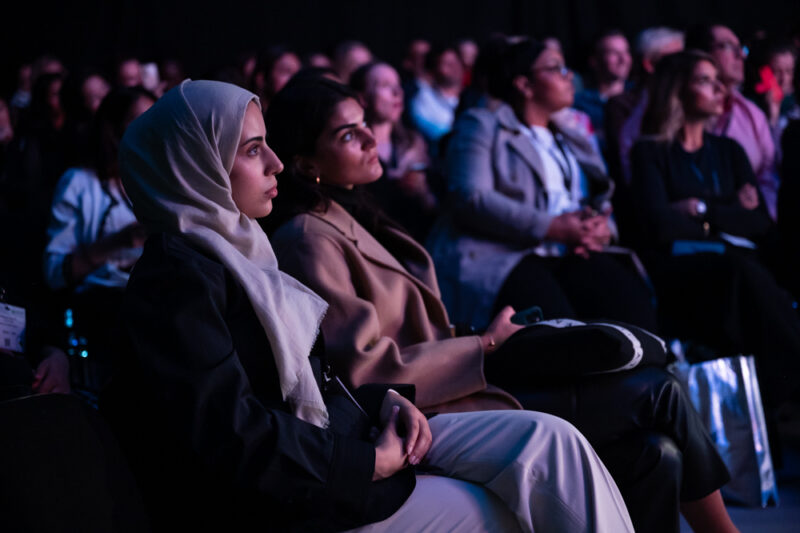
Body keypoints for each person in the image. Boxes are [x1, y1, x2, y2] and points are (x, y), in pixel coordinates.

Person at [108, 78, 635, 533]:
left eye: (267, 145)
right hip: (294, 496)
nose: (274, 162)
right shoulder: (176, 279)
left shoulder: (241, 249)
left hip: (347, 436)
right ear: (194, 168)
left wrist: (386, 401)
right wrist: (366, 461)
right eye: (251, 150)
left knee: (551, 440)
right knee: (502, 510)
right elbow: (232, 434)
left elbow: (312, 380)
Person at [264, 75, 736, 533]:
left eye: (366, 122)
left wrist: (482, 338)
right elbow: (363, 374)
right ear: (306, 165)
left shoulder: (351, 214)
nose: (371, 137)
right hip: (425, 412)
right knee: (659, 391)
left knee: (657, 452)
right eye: (350, 134)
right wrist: (485, 343)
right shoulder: (308, 238)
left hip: (457, 385)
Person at [427, 39, 658, 335]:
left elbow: (599, 200)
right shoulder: (482, 125)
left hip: (568, 254)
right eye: (555, 68)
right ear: (524, 84)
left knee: (630, 304)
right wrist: (553, 227)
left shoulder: (569, 134)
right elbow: (471, 198)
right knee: (560, 326)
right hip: (502, 254)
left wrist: (602, 229)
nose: (569, 76)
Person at [630, 50, 800, 407]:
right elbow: (661, 225)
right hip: (686, 269)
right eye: (705, 80)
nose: (719, 89)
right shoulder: (650, 153)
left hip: (741, 261)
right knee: (741, 272)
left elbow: (757, 222)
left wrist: (700, 209)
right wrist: (729, 210)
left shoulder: (729, 150)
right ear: (677, 89)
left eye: (717, 80)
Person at [43, 87, 155, 389]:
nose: (152, 129)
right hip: (104, 310)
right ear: (114, 130)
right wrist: (119, 242)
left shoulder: (158, 181)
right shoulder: (80, 183)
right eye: (139, 121)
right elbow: (56, 273)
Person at [684, 23, 780, 220]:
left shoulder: (752, 115)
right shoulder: (670, 118)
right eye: (728, 47)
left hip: (749, 230)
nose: (741, 55)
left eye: (741, 48)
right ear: (700, 54)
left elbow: (769, 179)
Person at [350, 62, 438, 240]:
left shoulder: (414, 143)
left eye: (397, 85)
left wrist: (422, 191)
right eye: (385, 86)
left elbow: (434, 209)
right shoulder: (354, 147)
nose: (397, 92)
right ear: (363, 99)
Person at [573, 29, 633, 152]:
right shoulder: (580, 104)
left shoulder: (640, 97)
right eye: (613, 53)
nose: (623, 59)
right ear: (594, 61)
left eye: (626, 52)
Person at [409, 44, 464, 152]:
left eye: (456, 62)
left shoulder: (475, 97)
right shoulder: (423, 99)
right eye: (447, 64)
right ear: (433, 70)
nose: (454, 67)